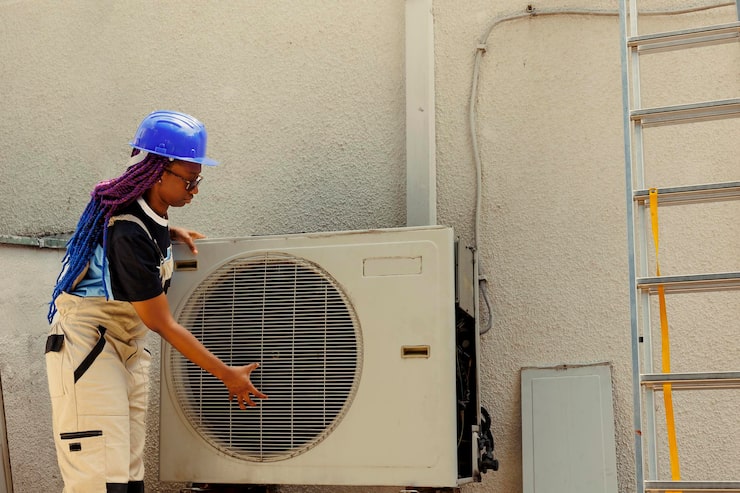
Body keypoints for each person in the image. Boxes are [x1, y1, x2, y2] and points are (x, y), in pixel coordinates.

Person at [45, 110, 267, 493]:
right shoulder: (128, 232)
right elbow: (162, 323)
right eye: (190, 179)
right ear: (159, 172)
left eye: (199, 179)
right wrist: (226, 374)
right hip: (88, 348)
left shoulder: (149, 215)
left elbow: (142, 232)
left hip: (124, 349)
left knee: (129, 477)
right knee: (99, 479)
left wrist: (169, 231)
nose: (195, 189)